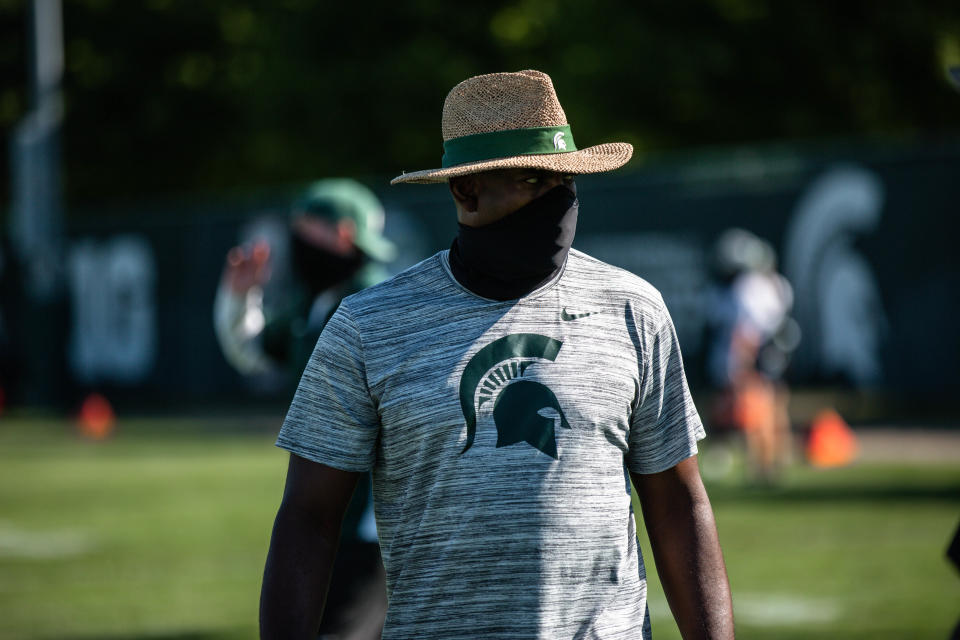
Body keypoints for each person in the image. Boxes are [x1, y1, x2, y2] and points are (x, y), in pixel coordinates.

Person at [260, 70, 734, 639]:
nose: (559, 199)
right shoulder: (368, 325)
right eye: (536, 180)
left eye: (567, 180)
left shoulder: (634, 308)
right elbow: (308, 516)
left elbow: (678, 499)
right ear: (467, 190)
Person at [214, 179, 395, 639]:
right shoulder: (315, 304)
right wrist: (240, 298)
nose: (296, 244)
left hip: (371, 520)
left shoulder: (372, 302)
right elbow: (253, 351)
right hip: (333, 510)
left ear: (343, 233)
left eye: (306, 230)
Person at [706, 228, 797, 482]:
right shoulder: (777, 284)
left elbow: (747, 330)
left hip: (758, 351)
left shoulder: (749, 286)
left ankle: (763, 466)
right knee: (774, 405)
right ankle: (775, 461)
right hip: (776, 350)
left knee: (757, 410)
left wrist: (741, 362)